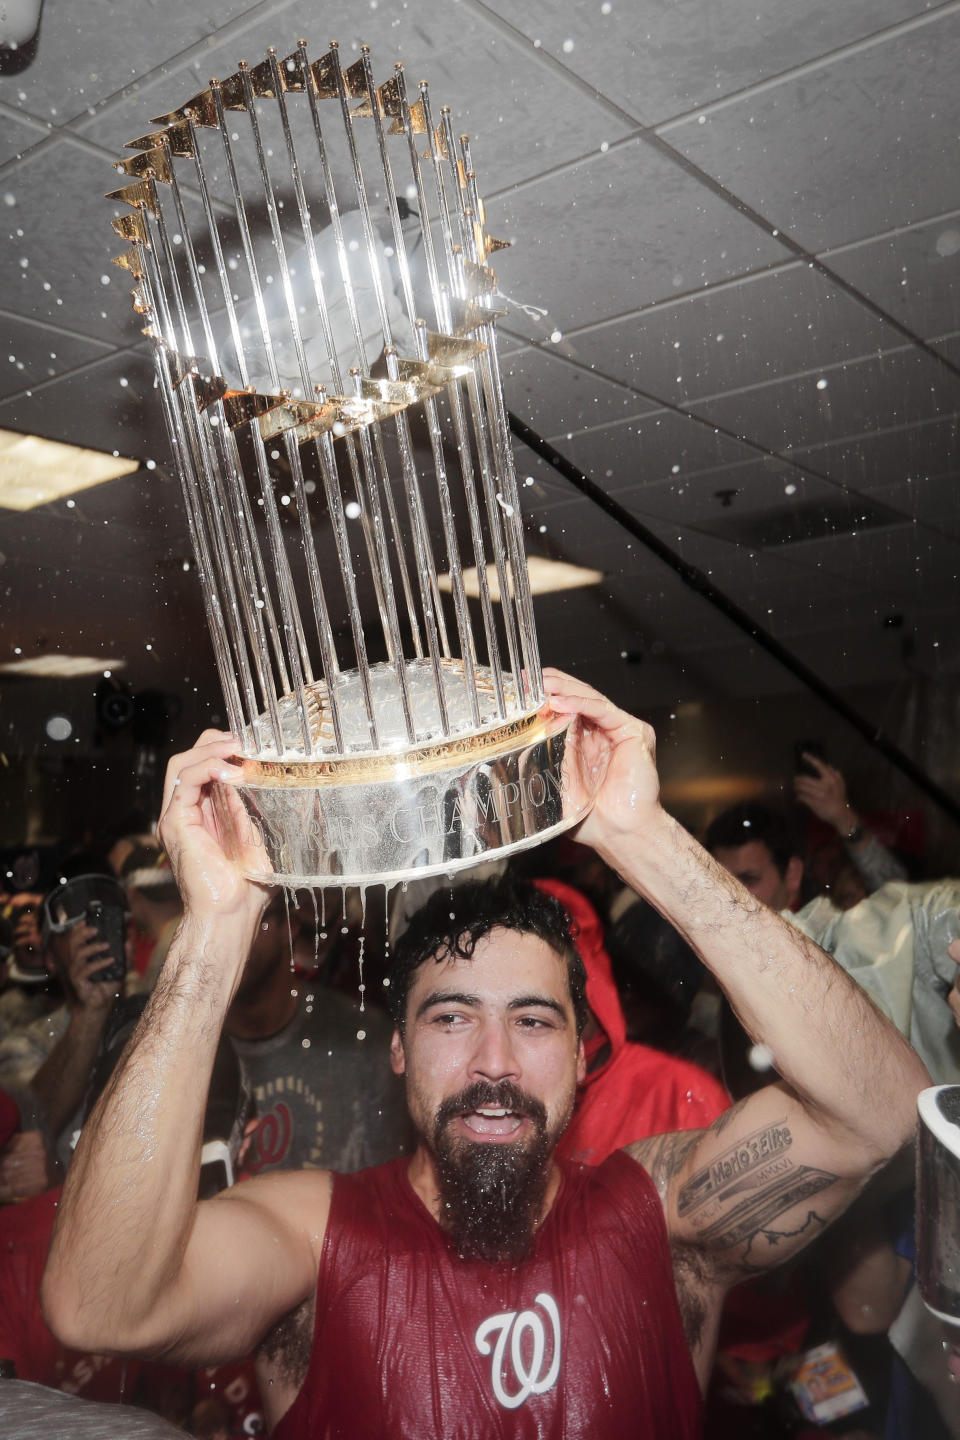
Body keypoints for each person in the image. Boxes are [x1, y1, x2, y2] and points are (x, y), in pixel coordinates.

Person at [41, 671, 928, 1438]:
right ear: (397, 1050)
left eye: (535, 1022)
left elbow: (882, 1113)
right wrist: (216, 929)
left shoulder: (662, 1222)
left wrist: (642, 838)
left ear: (586, 1055)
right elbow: (99, 1304)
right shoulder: (314, 1241)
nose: (495, 1062)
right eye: (453, 1019)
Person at [224, 887, 413, 1175]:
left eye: (248, 920)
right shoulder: (181, 1051)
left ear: (289, 926)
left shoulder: (365, 1042)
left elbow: (387, 1196)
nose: (227, 939)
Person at [703, 803, 805, 912]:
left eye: (748, 879)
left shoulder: (820, 927)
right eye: (721, 881)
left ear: (793, 874)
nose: (731, 895)